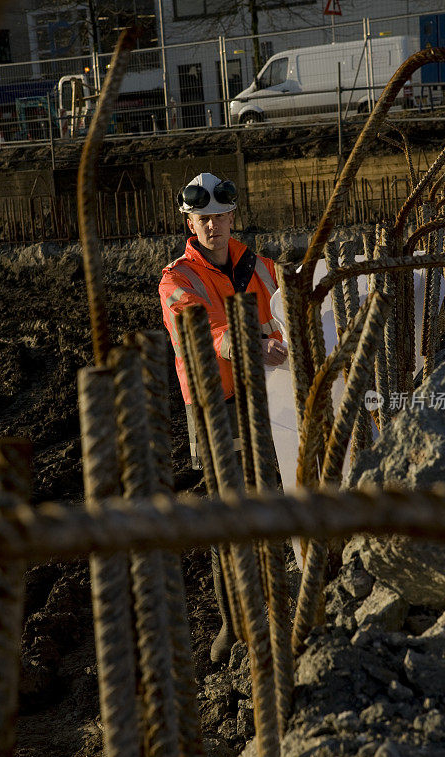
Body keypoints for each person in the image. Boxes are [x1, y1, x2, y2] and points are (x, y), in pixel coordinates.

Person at [158, 172, 287, 662]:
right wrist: (243, 340)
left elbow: (286, 304)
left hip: (265, 397)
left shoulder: (259, 266)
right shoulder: (178, 278)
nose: (212, 227)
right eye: (203, 220)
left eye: (220, 218)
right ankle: (233, 625)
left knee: (267, 494)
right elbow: (197, 326)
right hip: (215, 407)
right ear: (191, 222)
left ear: (233, 217)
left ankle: (273, 605)